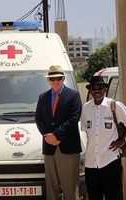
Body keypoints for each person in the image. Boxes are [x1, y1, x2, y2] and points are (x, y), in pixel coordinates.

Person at [81, 76, 126, 200]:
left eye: (100, 88)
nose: (97, 91)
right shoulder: (85, 108)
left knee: (114, 196)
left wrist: (123, 140)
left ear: (105, 89)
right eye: (93, 88)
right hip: (91, 164)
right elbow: (86, 133)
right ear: (90, 91)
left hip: (110, 161)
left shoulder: (114, 105)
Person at [35, 65, 82, 200]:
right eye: (52, 78)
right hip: (49, 148)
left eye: (58, 78)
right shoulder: (42, 97)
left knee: (70, 189)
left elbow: (74, 118)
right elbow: (38, 119)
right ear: (48, 80)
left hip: (68, 148)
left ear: (63, 79)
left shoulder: (73, 95)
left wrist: (57, 135)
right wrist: (47, 136)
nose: (55, 81)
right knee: (51, 188)